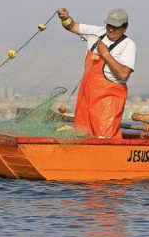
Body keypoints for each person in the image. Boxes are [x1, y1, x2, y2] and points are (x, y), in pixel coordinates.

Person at [57, 7, 136, 139]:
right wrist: (65, 18)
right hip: (86, 96)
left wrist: (105, 53)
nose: (110, 29)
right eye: (109, 25)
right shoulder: (97, 32)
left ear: (125, 28)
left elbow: (124, 74)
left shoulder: (128, 45)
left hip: (108, 101)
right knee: (82, 134)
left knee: (104, 137)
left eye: (115, 27)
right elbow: (72, 27)